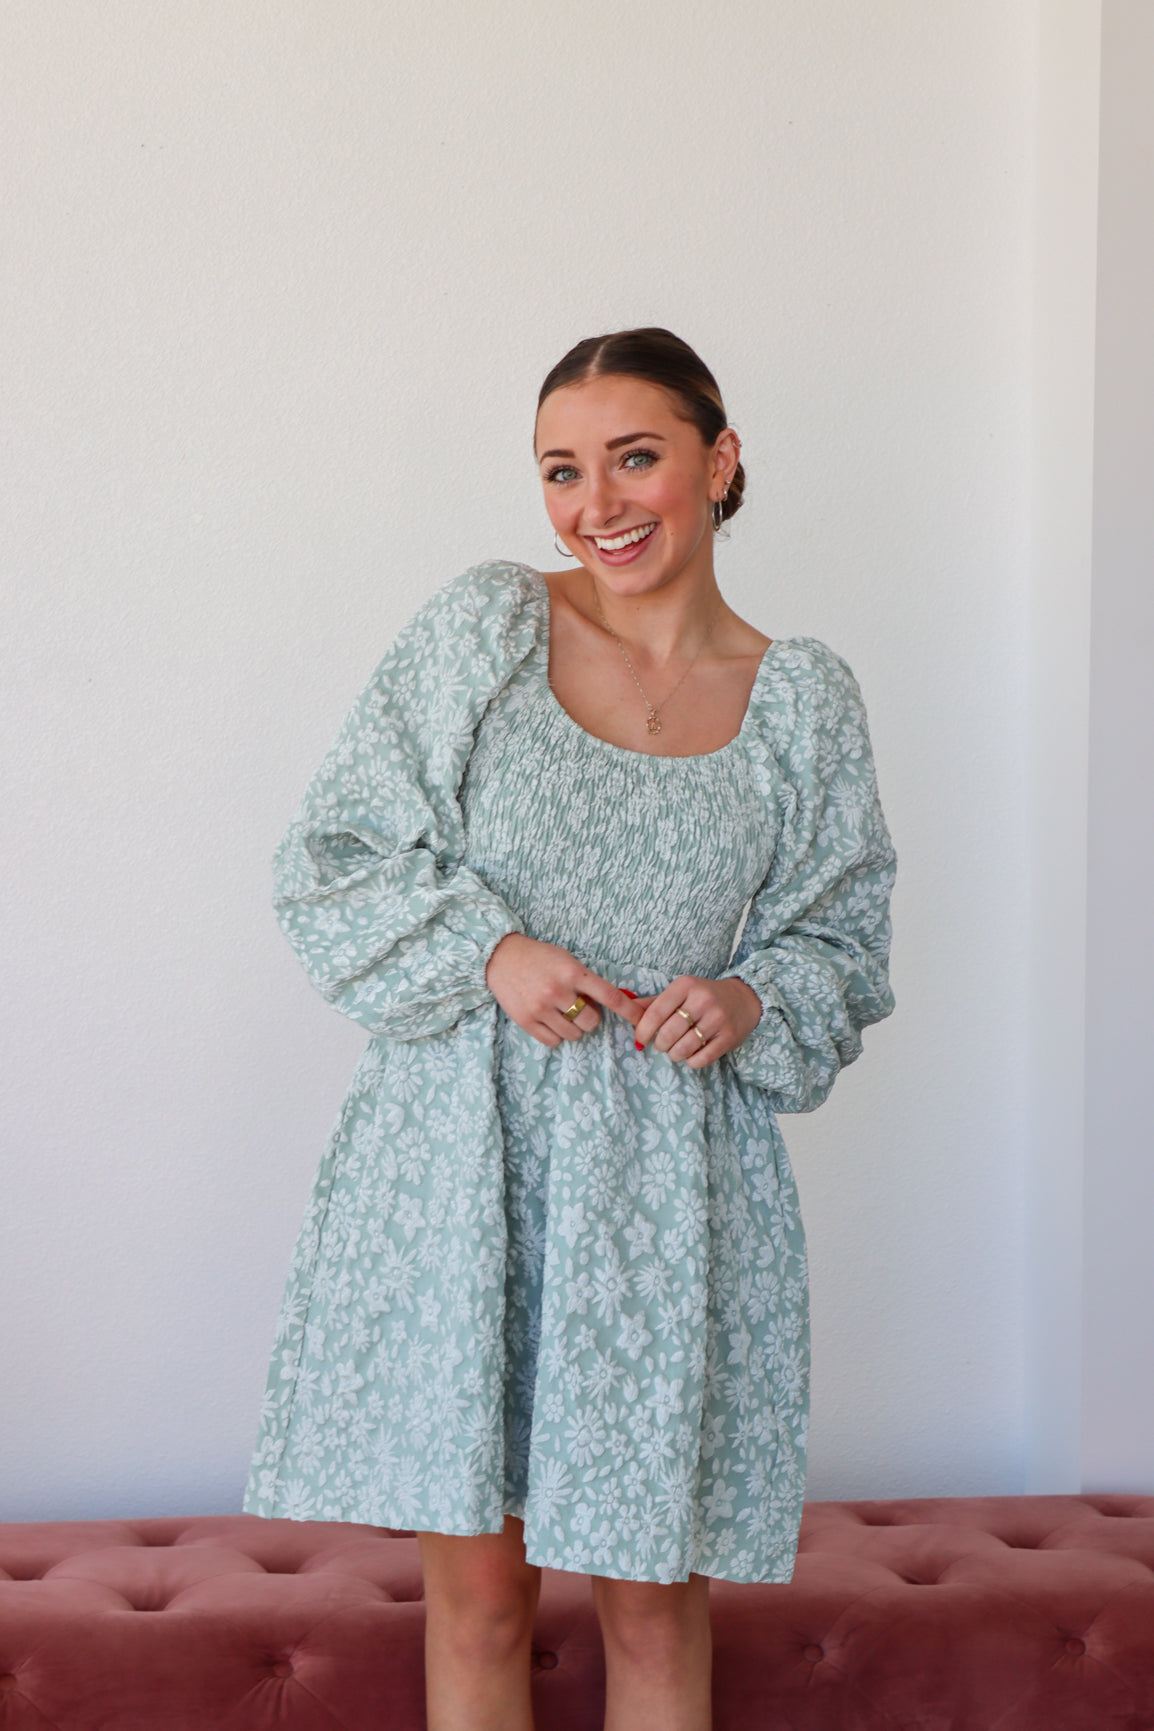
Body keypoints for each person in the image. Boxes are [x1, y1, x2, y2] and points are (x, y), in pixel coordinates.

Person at [244, 326, 897, 1731]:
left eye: (635, 457)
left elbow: (840, 938)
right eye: (559, 470)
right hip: (464, 1156)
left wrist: (744, 996)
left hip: (667, 1185)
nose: (594, 502)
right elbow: (333, 853)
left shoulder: (802, 701)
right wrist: (491, 953)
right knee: (479, 1600)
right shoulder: (486, 625)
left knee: (652, 1597)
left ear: (720, 464)